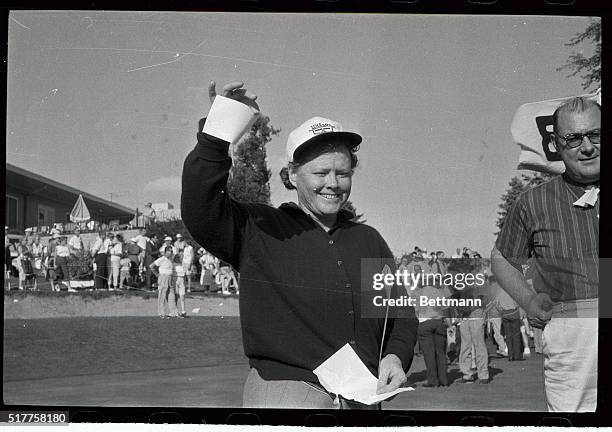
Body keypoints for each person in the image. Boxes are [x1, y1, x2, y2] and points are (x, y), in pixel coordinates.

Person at [181, 80, 417, 409]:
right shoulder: (259, 228)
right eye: (320, 173)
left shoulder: (368, 240)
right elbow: (200, 210)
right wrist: (221, 125)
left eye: (343, 173)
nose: (333, 184)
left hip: (363, 399)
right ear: (292, 175)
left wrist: (394, 356)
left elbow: (400, 316)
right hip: (289, 393)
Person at [491, 97, 599, 412]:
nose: (587, 146)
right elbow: (502, 259)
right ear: (555, 144)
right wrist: (529, 301)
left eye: (596, 134)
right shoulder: (532, 202)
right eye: (574, 138)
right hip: (573, 344)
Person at [414, 270, 452, 387]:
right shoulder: (439, 292)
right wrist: (449, 324)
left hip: (425, 323)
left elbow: (415, 310)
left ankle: (433, 380)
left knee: (429, 354)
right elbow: (446, 309)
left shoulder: (418, 293)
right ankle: (444, 379)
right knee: (440, 352)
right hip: (439, 322)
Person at [150, 246, 174, 319]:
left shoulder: (170, 260)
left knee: (169, 295)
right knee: (162, 295)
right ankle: (161, 313)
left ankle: (170, 312)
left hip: (169, 278)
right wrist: (157, 274)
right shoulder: (161, 259)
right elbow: (151, 266)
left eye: (171, 251)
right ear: (166, 252)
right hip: (163, 277)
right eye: (169, 251)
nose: (170, 253)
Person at [172, 253, 187, 318]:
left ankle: (183, 311)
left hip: (182, 280)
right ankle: (175, 311)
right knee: (176, 296)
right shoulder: (173, 265)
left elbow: (184, 274)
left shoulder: (183, 265)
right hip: (176, 279)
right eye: (180, 257)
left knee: (182, 296)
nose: (181, 259)